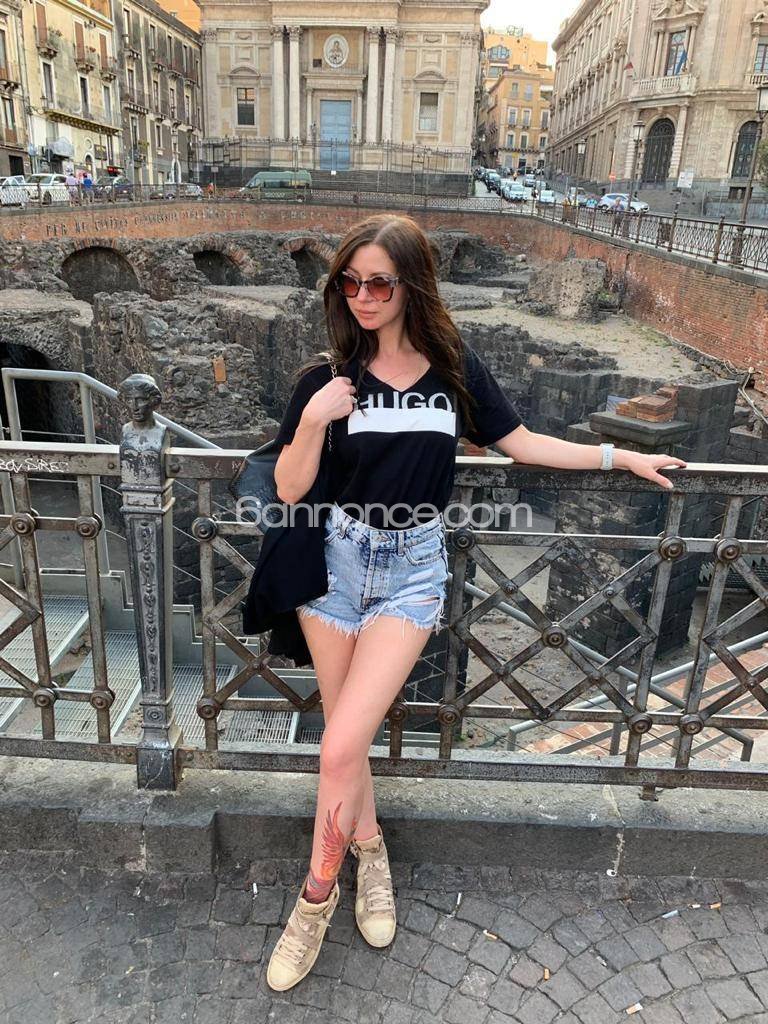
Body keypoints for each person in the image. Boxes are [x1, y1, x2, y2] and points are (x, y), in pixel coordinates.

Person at [265, 213, 686, 992]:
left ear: (411, 285)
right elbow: (290, 488)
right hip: (334, 567)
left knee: (336, 747)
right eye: (349, 282)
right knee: (347, 745)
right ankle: (372, 851)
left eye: (379, 282)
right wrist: (316, 419)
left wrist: (618, 455)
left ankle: (314, 901)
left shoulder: (454, 370)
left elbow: (521, 443)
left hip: (412, 571)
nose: (363, 296)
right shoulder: (326, 378)